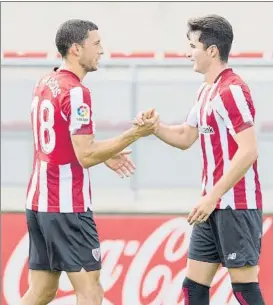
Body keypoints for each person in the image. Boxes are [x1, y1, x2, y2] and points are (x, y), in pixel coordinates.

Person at [21, 19, 158, 305]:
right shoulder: (77, 92)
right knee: (91, 292)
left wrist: (103, 153)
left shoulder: (46, 81)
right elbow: (85, 155)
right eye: (96, 44)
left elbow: (61, 141)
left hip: (38, 202)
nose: (102, 50)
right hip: (66, 205)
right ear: (75, 49)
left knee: (42, 291)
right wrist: (137, 133)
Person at [134, 14, 265, 305]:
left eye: (192, 46)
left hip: (236, 206)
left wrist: (212, 196)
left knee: (244, 289)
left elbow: (249, 150)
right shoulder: (206, 90)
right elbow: (185, 137)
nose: (187, 52)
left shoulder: (232, 90)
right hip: (211, 207)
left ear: (212, 51)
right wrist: (154, 128)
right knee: (193, 288)